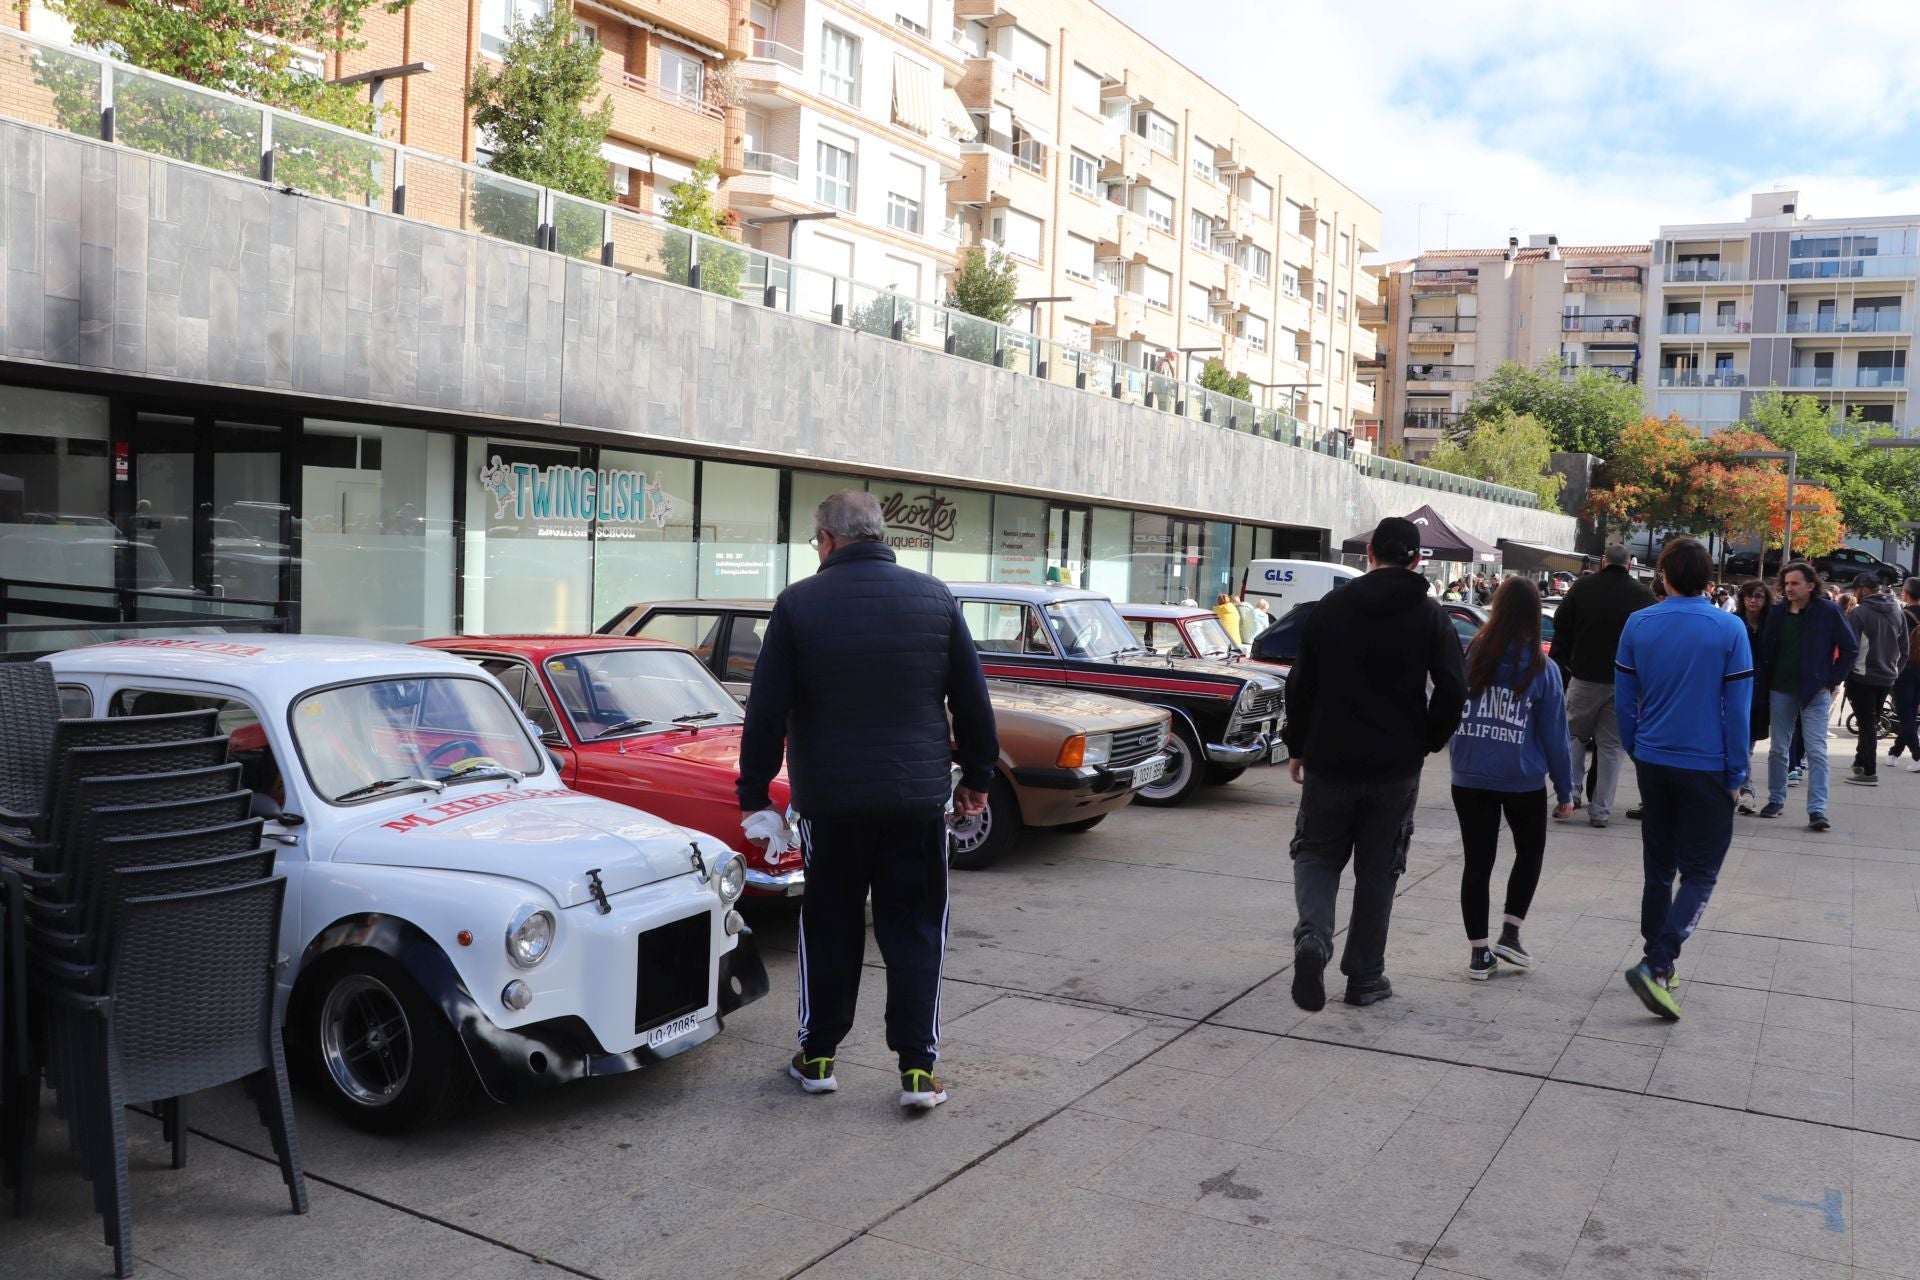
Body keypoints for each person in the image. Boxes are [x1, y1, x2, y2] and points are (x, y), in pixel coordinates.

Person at [737, 490, 998, 1110]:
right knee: (916, 930)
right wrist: (978, 781)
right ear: (881, 536)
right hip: (916, 803)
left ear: (826, 539)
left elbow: (766, 711)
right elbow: (971, 697)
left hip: (833, 806)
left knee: (829, 927)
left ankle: (819, 1056)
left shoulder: (798, 604)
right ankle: (916, 1070)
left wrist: (755, 796)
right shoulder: (934, 598)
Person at [1282, 516, 1467, 1011]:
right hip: (1394, 763)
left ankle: (1314, 940)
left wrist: (1297, 744)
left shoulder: (1330, 607)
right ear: (1415, 559)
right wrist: (1427, 740)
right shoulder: (1430, 615)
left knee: (1318, 854)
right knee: (1379, 869)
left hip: (1329, 756)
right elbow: (1454, 686)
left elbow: (1300, 683)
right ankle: (1365, 977)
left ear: (1370, 555)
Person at [1615, 538, 1753, 1019]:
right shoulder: (1730, 627)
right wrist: (1738, 771)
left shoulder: (1639, 623)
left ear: (1664, 575)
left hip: (1654, 759)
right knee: (1701, 873)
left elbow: (1623, 699)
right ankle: (1658, 963)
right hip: (1707, 764)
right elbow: (1738, 711)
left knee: (1659, 868)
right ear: (1709, 577)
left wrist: (1637, 747)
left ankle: (1658, 960)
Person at [1450, 578, 1575, 981]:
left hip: (1469, 774)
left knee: (1477, 862)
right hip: (1521, 777)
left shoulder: (1472, 655)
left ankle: (1479, 954)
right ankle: (1511, 932)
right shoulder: (1543, 668)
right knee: (1530, 851)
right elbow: (1556, 734)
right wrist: (1566, 788)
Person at [1548, 542, 1656, 829]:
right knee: (1611, 748)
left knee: (1573, 735)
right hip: (1623, 681)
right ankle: (1601, 812)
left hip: (1584, 676)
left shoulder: (1582, 588)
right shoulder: (1642, 595)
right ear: (1630, 565)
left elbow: (1561, 623)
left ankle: (1569, 795)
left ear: (1603, 561)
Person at [1756, 561, 1856, 831]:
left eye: (1795, 583)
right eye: (1786, 583)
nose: (1789, 588)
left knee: (1816, 751)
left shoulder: (1828, 611)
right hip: (1780, 689)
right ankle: (1776, 799)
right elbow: (1767, 650)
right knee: (1778, 748)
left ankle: (1817, 810)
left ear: (1810, 585)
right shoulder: (1777, 613)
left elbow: (1850, 648)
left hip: (1815, 691)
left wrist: (1832, 680)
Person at [1843, 572, 1909, 787]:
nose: (1854, 594)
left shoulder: (1859, 613)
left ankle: (1868, 771)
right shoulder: (1898, 611)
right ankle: (1860, 763)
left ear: (1864, 589)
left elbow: (1849, 648)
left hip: (1862, 676)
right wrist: (1895, 671)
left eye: (1856, 589)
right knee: (1870, 721)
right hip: (1887, 677)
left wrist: (1844, 674)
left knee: (1867, 724)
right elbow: (1904, 648)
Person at [1734, 580, 1775, 812]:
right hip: (1738, 687)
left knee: (1747, 744)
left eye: (1758, 596)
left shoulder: (1772, 624)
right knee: (1741, 743)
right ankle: (1745, 790)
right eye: (1749, 596)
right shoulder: (1735, 622)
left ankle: (1744, 790)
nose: (1753, 600)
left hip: (1762, 692)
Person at [1889, 578, 1920, 772]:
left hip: (1903, 669)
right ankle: (1894, 752)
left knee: (1904, 713)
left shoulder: (1901, 615)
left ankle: (1918, 754)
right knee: (1910, 713)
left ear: (1905, 593)